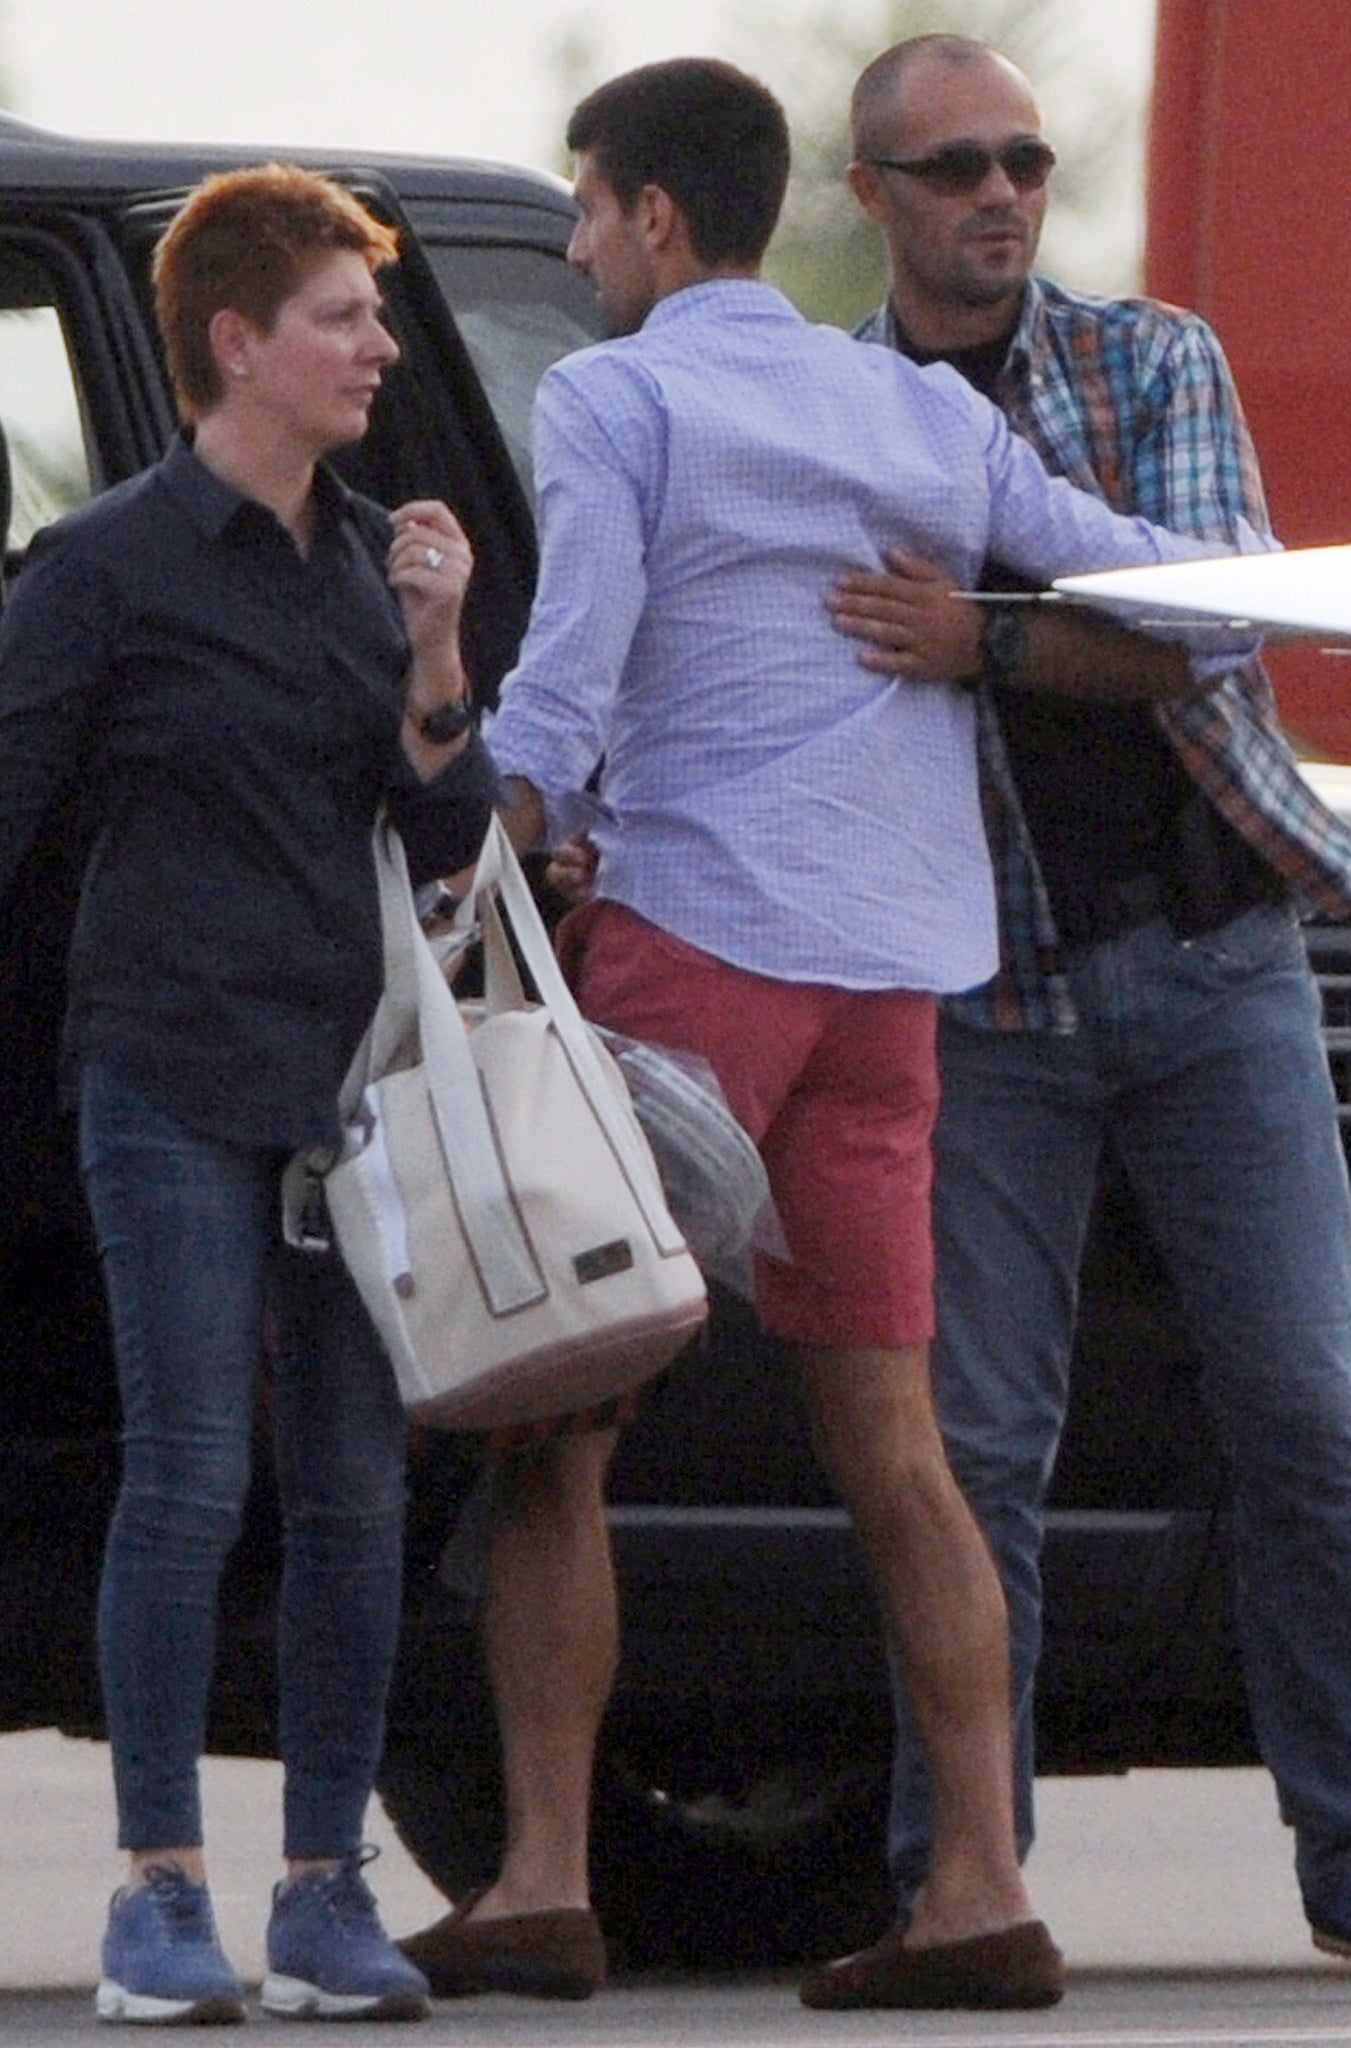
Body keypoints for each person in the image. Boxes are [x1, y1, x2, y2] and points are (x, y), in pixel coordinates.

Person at [398, 56, 1254, 2015]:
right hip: (892, 985)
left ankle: (540, 1876)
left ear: (655, 218)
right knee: (900, 1444)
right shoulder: (911, 407)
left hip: (702, 949)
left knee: (554, 1421)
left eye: (589, 213)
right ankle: (975, 1887)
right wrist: (1135, 622)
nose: (581, 246)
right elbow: (1165, 594)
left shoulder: (621, 393)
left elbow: (576, 672)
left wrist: (461, 859)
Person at [824, 33, 1351, 1996]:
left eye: (1023, 156)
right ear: (876, 197)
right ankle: (961, 1873)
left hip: (1216, 963)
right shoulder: (839, 417)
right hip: (984, 996)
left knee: (1311, 1415)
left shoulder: (1149, 364)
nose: (1000, 192)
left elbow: (1209, 619)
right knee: (981, 1446)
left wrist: (985, 639)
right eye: (954, 165)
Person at [0, 164, 502, 2024]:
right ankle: (153, 1897)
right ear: (235, 341)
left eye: (371, 314)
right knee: (192, 1475)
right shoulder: (104, 566)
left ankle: (320, 1891)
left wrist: (441, 654)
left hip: (346, 1090)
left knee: (361, 1500)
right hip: (166, 1072)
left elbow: (444, 835)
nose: (379, 344)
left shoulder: (373, 557)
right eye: (343, 316)